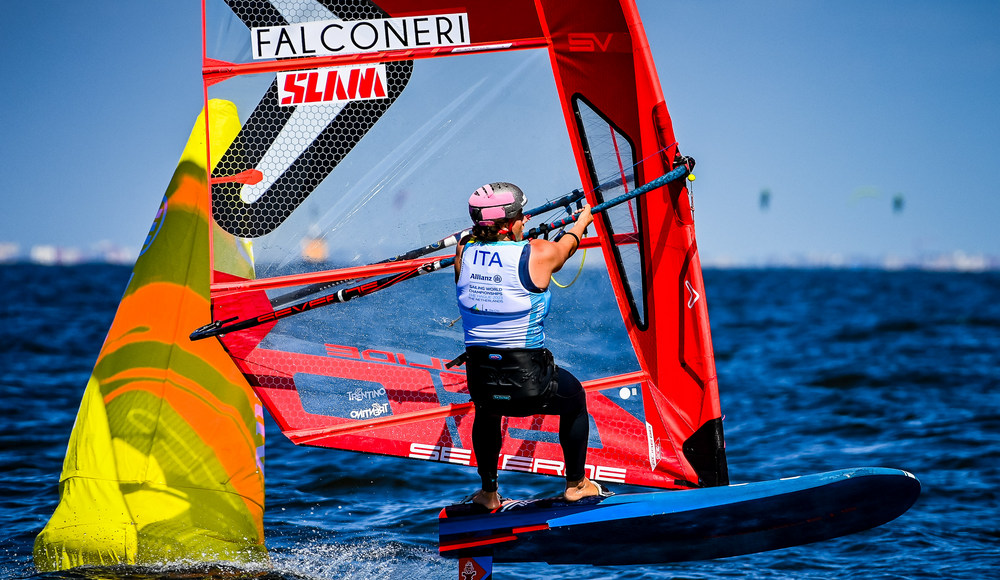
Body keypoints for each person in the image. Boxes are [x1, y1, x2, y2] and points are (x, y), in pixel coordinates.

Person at [454, 181, 606, 510]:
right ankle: (577, 484)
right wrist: (582, 222)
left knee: (487, 407)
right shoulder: (536, 253)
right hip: (530, 386)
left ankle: (489, 493)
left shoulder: (463, 252)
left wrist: (515, 235)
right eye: (521, 215)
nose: (525, 219)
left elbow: (486, 249)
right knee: (575, 396)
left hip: (481, 383)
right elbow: (565, 247)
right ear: (509, 223)